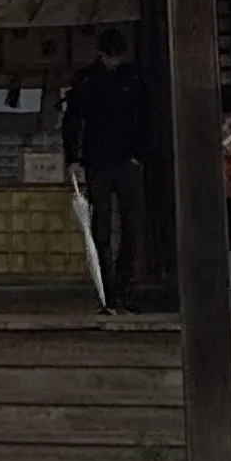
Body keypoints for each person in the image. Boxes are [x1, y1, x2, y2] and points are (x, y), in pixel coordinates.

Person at [62, 30, 153, 307]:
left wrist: (140, 154)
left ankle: (127, 286)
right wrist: (73, 158)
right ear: (100, 53)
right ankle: (108, 289)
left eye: (116, 55)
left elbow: (147, 118)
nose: (113, 60)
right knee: (101, 227)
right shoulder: (86, 80)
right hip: (97, 161)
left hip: (127, 159)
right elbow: (73, 120)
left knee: (132, 226)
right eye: (109, 55)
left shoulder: (133, 78)